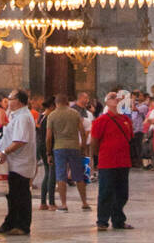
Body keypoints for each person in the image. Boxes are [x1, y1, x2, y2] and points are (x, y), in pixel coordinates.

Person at [0, 89, 36, 236]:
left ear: (18, 101)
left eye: (10, 98)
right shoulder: (15, 115)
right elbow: (10, 134)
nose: (8, 101)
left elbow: (20, 140)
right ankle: (10, 223)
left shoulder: (23, 117)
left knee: (21, 195)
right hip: (13, 163)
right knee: (12, 195)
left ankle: (22, 226)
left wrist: (5, 152)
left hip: (20, 164)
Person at [92, 90, 133, 230]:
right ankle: (102, 221)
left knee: (122, 193)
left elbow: (130, 139)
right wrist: (99, 156)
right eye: (112, 97)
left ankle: (118, 220)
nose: (116, 99)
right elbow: (94, 141)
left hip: (123, 161)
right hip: (107, 162)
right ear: (106, 102)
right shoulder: (100, 121)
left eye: (118, 97)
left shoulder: (126, 120)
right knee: (105, 192)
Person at [46, 94, 90, 212]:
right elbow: (82, 131)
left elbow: (49, 137)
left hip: (59, 148)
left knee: (61, 176)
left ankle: (64, 204)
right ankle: (84, 203)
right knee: (79, 176)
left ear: (56, 103)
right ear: (67, 102)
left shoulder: (52, 115)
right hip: (74, 147)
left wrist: (48, 152)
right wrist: (83, 147)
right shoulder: (75, 113)